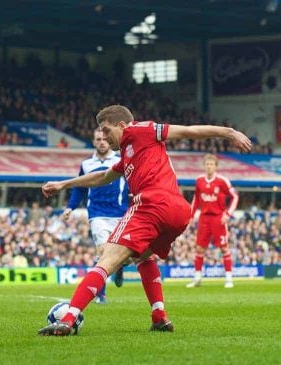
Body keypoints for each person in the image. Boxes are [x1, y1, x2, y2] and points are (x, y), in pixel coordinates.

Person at [38, 105, 251, 336]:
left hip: (152, 204)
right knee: (143, 257)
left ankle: (67, 320)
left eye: (106, 130)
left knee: (106, 260)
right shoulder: (128, 152)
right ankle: (159, 316)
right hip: (178, 212)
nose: (104, 137)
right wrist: (64, 184)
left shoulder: (142, 130)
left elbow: (189, 131)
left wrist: (229, 133)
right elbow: (102, 176)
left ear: (121, 125)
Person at [63, 128, 128, 304]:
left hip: (120, 213)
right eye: (98, 139)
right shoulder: (86, 164)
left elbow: (131, 183)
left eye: (104, 139)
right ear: (93, 142)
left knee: (124, 254)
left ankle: (120, 266)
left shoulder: (120, 160)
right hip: (97, 213)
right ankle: (101, 294)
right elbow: (80, 187)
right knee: (103, 252)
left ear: (110, 141)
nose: (101, 142)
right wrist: (71, 207)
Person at [187, 154, 239, 288]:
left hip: (218, 218)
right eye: (207, 164)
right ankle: (197, 278)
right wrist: (191, 216)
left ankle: (229, 279)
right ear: (204, 166)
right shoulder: (199, 181)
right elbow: (196, 200)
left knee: (224, 248)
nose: (209, 166)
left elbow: (235, 196)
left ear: (216, 166)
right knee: (199, 248)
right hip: (204, 219)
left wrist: (228, 213)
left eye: (211, 164)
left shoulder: (222, 181)